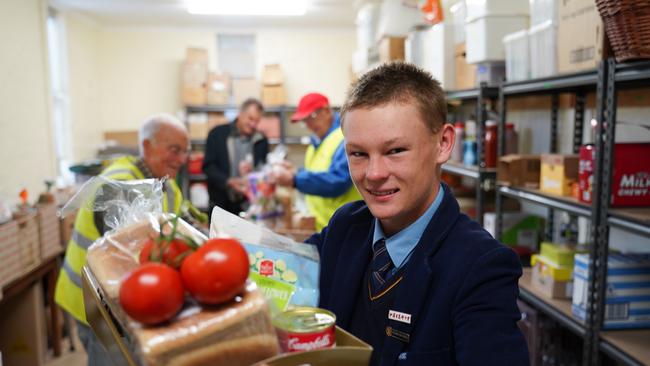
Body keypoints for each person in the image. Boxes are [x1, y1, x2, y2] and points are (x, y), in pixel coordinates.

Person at [305, 63, 529, 365]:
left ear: (443, 144)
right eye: (358, 154)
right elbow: (283, 270)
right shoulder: (346, 227)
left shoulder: (481, 267)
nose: (373, 174)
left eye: (395, 151)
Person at [54, 113, 197, 366]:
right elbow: (130, 247)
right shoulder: (119, 181)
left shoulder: (167, 184)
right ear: (147, 146)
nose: (181, 159)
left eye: (185, 152)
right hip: (94, 302)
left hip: (126, 300)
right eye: (174, 149)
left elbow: (187, 227)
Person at [273, 92, 361, 231]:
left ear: (327, 110)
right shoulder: (316, 143)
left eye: (312, 117)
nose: (309, 125)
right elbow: (317, 173)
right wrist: (295, 171)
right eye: (304, 120)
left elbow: (338, 181)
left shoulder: (344, 138)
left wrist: (295, 179)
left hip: (346, 227)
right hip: (323, 227)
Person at [203, 98, 268, 216]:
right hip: (221, 204)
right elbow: (208, 167)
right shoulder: (217, 134)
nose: (253, 124)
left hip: (250, 206)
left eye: (257, 121)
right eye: (250, 119)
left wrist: (253, 173)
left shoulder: (261, 140)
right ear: (240, 114)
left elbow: (264, 170)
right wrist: (228, 181)